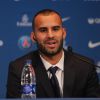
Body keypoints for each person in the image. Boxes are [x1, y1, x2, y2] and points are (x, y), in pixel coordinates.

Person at [6, 9, 100, 98]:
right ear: (33, 36)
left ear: (63, 33)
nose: (50, 35)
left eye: (55, 29)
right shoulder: (18, 68)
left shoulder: (85, 67)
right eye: (43, 30)